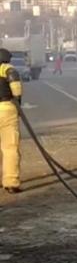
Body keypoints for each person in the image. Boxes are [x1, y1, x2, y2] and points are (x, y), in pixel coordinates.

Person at [0, 48, 22, 194]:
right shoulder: (8, 69)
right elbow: (17, 90)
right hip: (6, 108)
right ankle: (11, 182)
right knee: (10, 147)